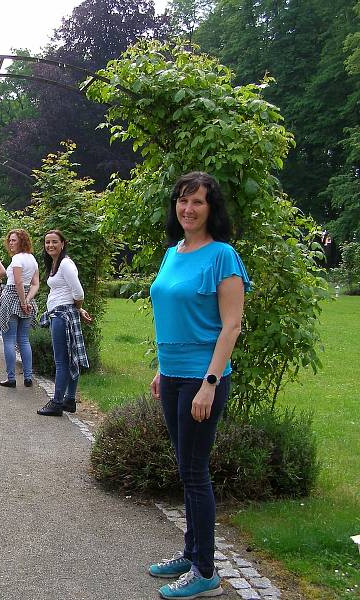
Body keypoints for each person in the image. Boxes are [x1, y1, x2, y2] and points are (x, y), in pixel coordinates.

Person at [147, 172, 250, 600]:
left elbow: (232, 325)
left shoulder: (222, 255)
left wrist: (210, 382)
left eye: (198, 202)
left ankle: (206, 571)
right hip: (172, 375)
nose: (188, 208)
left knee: (194, 471)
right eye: (182, 200)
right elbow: (171, 313)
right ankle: (192, 552)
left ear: (212, 209)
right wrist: (161, 368)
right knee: (185, 468)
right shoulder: (174, 252)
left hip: (201, 378)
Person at [36, 230, 92, 416]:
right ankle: (69, 399)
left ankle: (57, 402)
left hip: (62, 316)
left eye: (54, 242)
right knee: (70, 358)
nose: (50, 245)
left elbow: (78, 292)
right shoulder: (55, 263)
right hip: (62, 313)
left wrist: (78, 307)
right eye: (47, 242)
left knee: (62, 361)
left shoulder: (65, 264)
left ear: (62, 243)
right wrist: (78, 309)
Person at [0, 229, 40, 388]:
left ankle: (11, 378)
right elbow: (35, 284)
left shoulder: (17, 259)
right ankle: (28, 377)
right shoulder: (32, 259)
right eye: (10, 240)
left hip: (12, 297)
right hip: (26, 298)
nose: (11, 243)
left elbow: (18, 282)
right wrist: (27, 300)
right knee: (24, 340)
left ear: (22, 241)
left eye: (14, 240)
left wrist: (23, 301)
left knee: (9, 340)